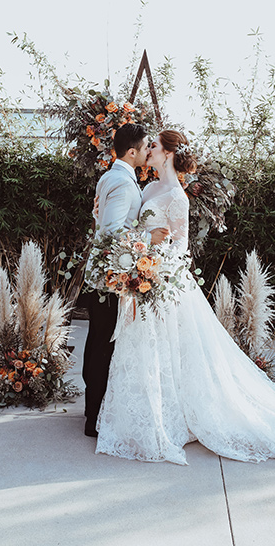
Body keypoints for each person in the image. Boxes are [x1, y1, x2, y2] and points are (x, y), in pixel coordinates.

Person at [94, 129, 275, 464]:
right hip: (146, 278)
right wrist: (142, 254)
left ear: (169, 154)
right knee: (152, 353)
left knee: (173, 354)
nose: (149, 151)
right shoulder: (147, 187)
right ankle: (153, 413)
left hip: (164, 281)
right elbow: (133, 229)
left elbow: (181, 247)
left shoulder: (177, 196)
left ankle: (176, 416)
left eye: (155, 147)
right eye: (149, 146)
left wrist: (155, 263)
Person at [82, 123, 168, 437]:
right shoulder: (121, 182)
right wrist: (149, 236)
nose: (148, 151)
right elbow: (109, 234)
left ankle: (93, 412)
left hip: (102, 277)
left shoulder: (112, 176)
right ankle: (93, 419)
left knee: (97, 343)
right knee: (102, 346)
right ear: (131, 152)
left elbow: (101, 220)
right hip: (107, 281)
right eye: (146, 146)